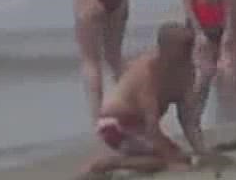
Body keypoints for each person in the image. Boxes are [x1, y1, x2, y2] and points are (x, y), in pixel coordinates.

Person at [82, 24, 205, 176]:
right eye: (181, 50)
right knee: (163, 160)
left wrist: (201, 150)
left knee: (182, 157)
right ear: (164, 49)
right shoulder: (149, 71)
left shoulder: (187, 72)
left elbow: (187, 120)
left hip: (140, 127)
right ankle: (110, 163)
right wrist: (170, 159)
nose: (186, 55)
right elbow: (152, 125)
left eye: (189, 49)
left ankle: (130, 163)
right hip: (114, 125)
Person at [181, 0, 236, 113]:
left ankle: (227, 110)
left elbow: (228, 3)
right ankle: (194, 112)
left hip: (219, 24)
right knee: (202, 73)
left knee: (226, 70)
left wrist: (229, 31)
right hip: (199, 26)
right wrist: (198, 32)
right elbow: (187, 4)